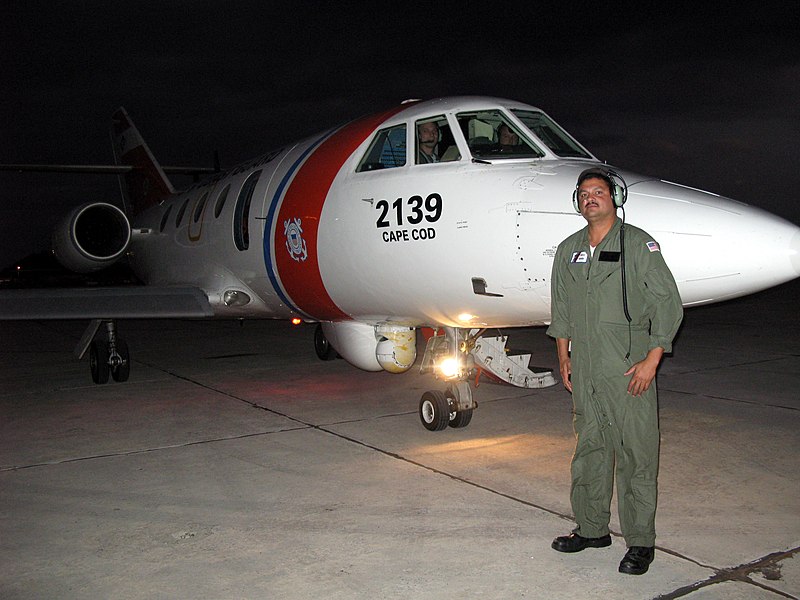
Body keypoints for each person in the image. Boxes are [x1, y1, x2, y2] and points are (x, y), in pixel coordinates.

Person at [546, 167, 683, 576]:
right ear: (577, 202)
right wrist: (564, 356)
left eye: (599, 192)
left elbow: (667, 303)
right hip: (585, 366)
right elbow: (562, 309)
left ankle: (640, 541)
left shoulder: (639, 244)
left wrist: (652, 359)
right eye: (584, 193)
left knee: (636, 453)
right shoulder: (569, 249)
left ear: (614, 197)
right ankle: (592, 529)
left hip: (628, 366)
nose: (591, 198)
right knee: (589, 449)